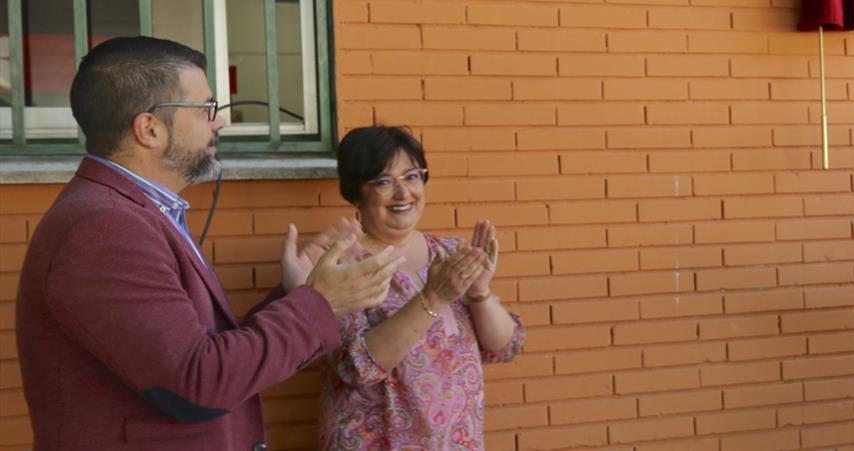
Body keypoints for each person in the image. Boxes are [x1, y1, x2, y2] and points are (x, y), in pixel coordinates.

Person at [16, 36, 406, 450]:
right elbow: (197, 383)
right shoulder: (104, 228)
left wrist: (298, 295)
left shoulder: (138, 212)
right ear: (149, 129)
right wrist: (320, 304)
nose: (220, 122)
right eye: (206, 110)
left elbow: (210, 356)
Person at [320, 126, 524, 450]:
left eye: (412, 176)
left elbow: (505, 345)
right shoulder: (343, 266)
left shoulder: (449, 253)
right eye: (384, 181)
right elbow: (355, 366)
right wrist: (433, 298)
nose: (403, 193)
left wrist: (480, 293)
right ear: (356, 192)